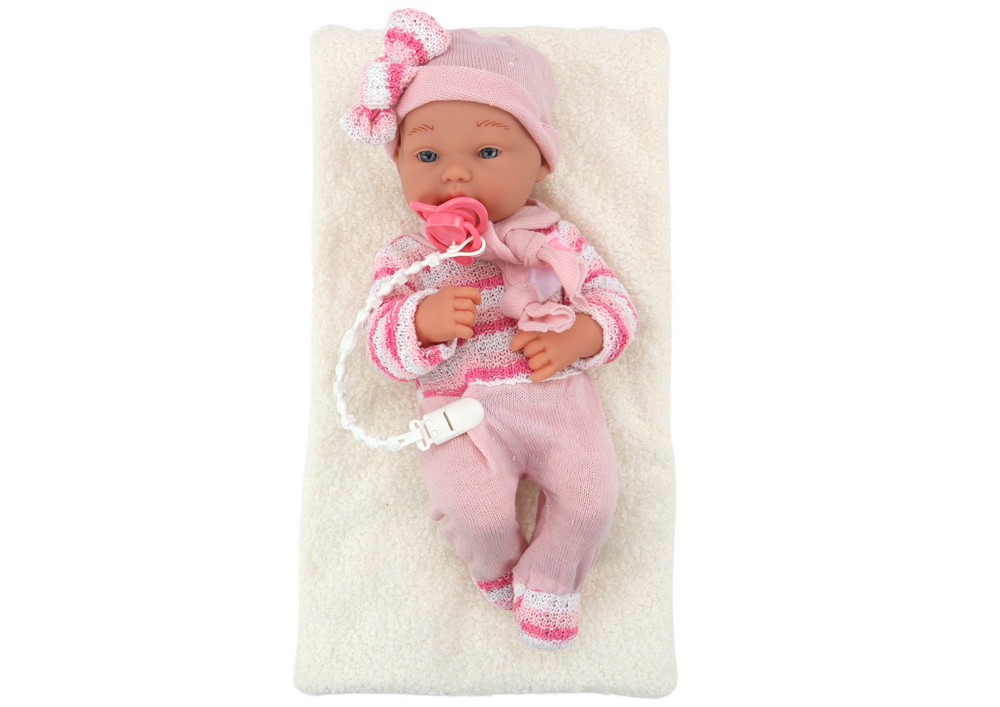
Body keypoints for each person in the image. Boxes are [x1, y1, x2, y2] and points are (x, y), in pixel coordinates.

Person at [341, 9, 637, 650]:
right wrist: (421, 323)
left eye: (486, 152)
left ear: (541, 163)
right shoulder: (408, 259)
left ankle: (551, 577)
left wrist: (580, 337)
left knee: (591, 502)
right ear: (398, 163)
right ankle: (498, 573)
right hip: (463, 415)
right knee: (474, 513)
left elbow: (615, 304)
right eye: (427, 155)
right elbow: (379, 346)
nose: (454, 173)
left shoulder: (554, 240)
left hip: (559, 404)